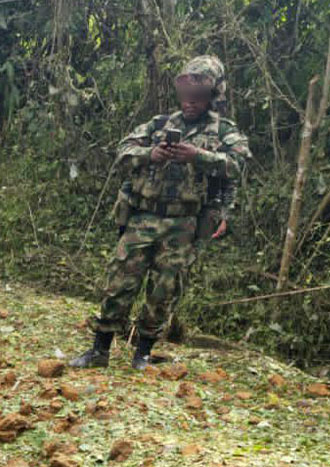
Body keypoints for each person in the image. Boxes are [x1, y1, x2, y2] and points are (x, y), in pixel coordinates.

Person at [70, 55, 251, 370]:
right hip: (143, 216)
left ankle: (142, 354)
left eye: (197, 98)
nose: (190, 103)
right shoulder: (158, 124)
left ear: (212, 97)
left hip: (184, 223)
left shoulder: (225, 131)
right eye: (185, 97)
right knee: (119, 282)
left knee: (164, 289)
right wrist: (150, 154)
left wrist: (199, 156)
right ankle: (99, 350)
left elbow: (237, 165)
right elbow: (122, 152)